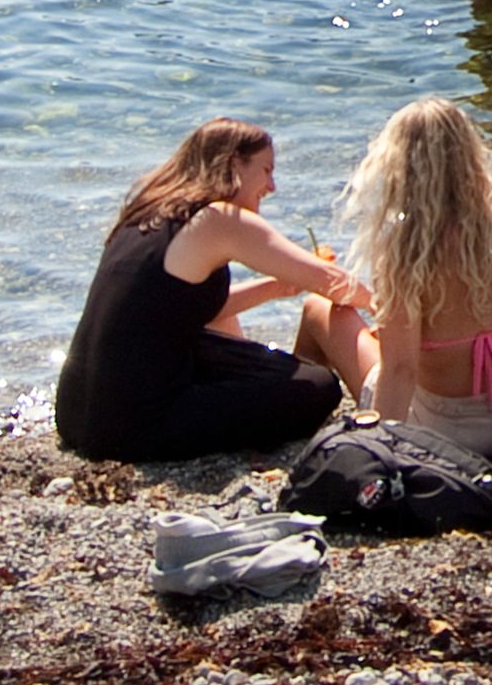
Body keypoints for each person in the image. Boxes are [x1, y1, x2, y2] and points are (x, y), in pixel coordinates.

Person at [53, 118, 374, 462]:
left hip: (76, 414)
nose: (272, 186)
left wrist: (275, 287)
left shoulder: (149, 211)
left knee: (270, 369)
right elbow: (328, 279)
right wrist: (384, 306)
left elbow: (182, 311)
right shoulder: (220, 218)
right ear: (234, 165)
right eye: (266, 170)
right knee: (319, 387)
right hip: (133, 428)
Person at [342, 98, 492, 458]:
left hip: (444, 433)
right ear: (471, 159)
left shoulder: (404, 254)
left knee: (326, 314)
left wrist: (381, 456)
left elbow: (401, 371)